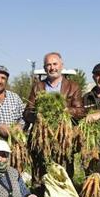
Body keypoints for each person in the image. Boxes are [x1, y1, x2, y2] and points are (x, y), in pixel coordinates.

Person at [23, 52, 86, 182]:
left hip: (64, 138)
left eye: (55, 64)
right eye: (48, 65)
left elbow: (80, 111)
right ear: (45, 68)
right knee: (41, 173)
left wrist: (65, 111)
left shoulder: (73, 87)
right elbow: (27, 112)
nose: (52, 68)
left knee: (64, 172)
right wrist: (38, 116)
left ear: (61, 65)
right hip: (42, 139)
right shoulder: (38, 87)